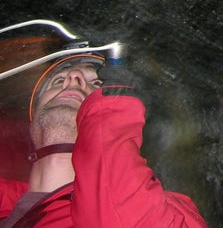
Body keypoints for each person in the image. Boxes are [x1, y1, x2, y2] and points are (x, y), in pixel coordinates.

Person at [0, 51, 207, 227]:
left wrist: (111, 114)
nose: (73, 77)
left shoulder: (171, 209)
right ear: (32, 116)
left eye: (97, 83)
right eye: (58, 81)